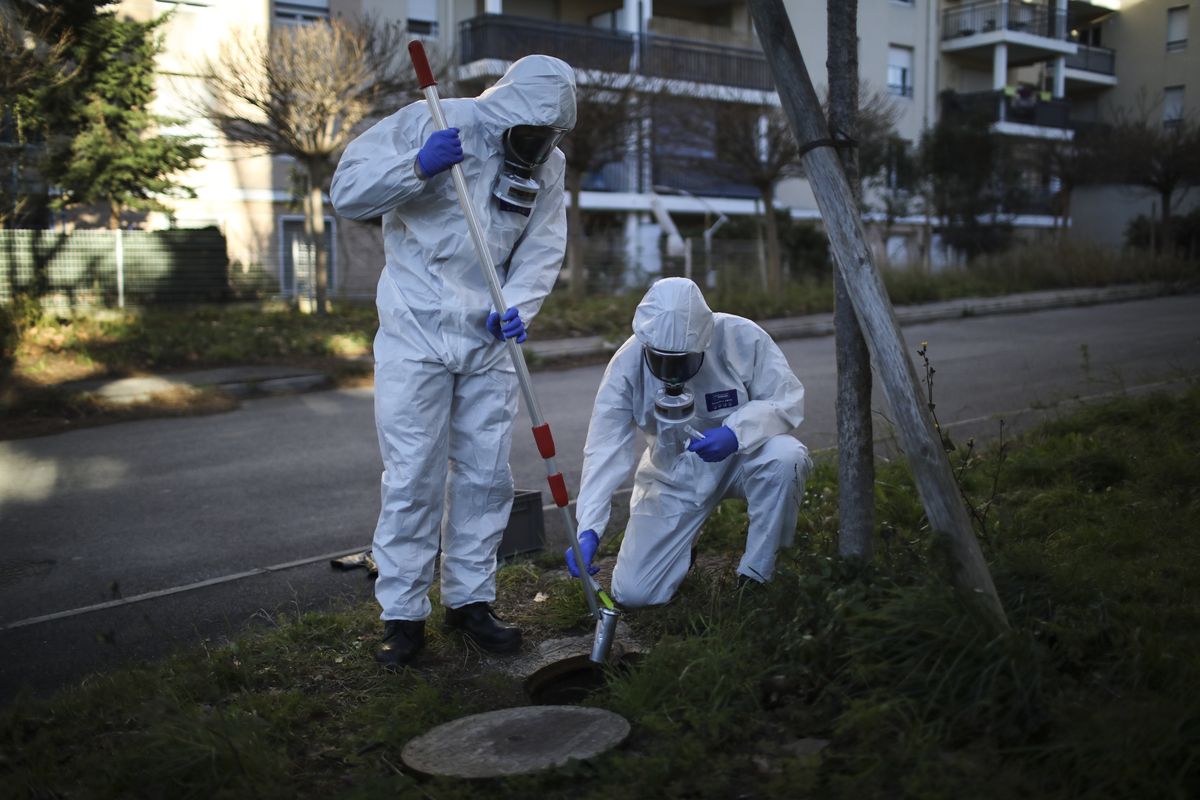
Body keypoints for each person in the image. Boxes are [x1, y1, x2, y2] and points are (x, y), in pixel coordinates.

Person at [331, 55, 576, 669]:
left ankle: (470, 602)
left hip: (490, 339)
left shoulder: (549, 165)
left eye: (551, 137)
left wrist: (519, 305)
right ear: (506, 114)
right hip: (415, 329)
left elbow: (544, 245)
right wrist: (415, 167)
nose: (540, 146)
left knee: (486, 476)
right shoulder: (433, 122)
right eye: (531, 134)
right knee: (413, 473)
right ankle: (402, 616)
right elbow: (348, 192)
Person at [565, 277, 812, 607]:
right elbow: (604, 448)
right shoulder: (626, 366)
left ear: (705, 341)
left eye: (682, 362)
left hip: (742, 458)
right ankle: (684, 545)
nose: (672, 374)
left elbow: (787, 398)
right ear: (646, 344)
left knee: (787, 457)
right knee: (635, 594)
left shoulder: (741, 337)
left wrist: (737, 432)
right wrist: (589, 528)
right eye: (662, 361)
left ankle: (757, 574)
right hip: (673, 475)